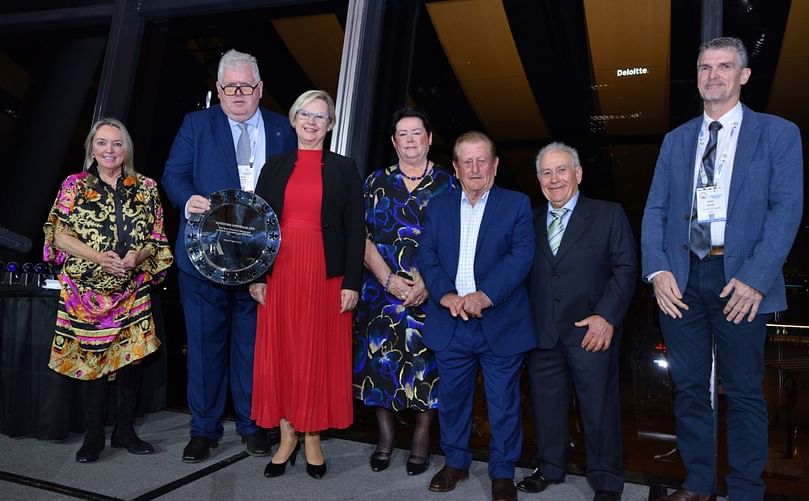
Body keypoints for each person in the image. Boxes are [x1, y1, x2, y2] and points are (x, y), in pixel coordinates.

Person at [641, 37, 803, 501]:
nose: (712, 75)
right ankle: (698, 485)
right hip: (682, 279)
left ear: (744, 75)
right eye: (704, 67)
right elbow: (656, 209)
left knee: (745, 393)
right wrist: (658, 270)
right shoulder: (676, 140)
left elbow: (786, 209)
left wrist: (756, 276)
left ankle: (746, 490)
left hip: (740, 281)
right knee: (690, 389)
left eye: (724, 66)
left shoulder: (777, 133)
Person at [162, 49, 296, 463]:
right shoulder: (196, 125)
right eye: (229, 87)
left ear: (260, 89)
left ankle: (253, 425)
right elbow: (174, 175)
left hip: (260, 263)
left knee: (253, 348)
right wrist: (188, 201)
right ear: (218, 90)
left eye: (246, 86)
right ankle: (203, 429)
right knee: (203, 347)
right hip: (204, 259)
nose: (238, 94)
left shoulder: (281, 129)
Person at [249, 89, 365, 480]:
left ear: (330, 125)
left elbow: (355, 229)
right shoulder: (274, 167)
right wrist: (257, 277)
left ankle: (312, 437)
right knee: (283, 353)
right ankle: (286, 438)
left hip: (324, 272)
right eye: (305, 115)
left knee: (315, 354)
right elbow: (257, 227)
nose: (312, 122)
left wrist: (351, 282)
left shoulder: (344, 168)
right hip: (280, 272)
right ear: (294, 120)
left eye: (320, 117)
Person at [43, 117, 173, 463]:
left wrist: (136, 256)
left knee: (131, 360)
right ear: (92, 149)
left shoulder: (145, 187)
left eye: (117, 143)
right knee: (93, 362)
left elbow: (156, 238)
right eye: (102, 143)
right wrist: (98, 257)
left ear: (126, 148)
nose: (110, 150)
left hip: (132, 289)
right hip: (85, 293)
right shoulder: (73, 185)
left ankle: (125, 431)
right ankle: (93, 435)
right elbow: (57, 234)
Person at [516, 142, 636, 501]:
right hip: (542, 333)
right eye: (546, 173)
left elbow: (626, 269)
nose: (554, 179)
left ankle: (607, 479)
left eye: (561, 170)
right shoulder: (530, 220)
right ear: (538, 179)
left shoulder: (608, 214)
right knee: (546, 406)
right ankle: (550, 467)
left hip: (591, 331)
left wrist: (607, 316)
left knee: (599, 409)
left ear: (578, 174)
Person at [419, 131, 535, 501]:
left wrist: (485, 296)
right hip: (451, 322)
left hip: (499, 322)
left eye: (481, 160)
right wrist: (446, 296)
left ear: (495, 165)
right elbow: (428, 257)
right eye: (466, 161)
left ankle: (502, 472)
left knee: (503, 403)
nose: (474, 168)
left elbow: (521, 257)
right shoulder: (437, 207)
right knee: (453, 400)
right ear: (455, 168)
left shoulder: (516, 205)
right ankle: (455, 463)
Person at [353, 107, 455, 476]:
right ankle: (384, 438)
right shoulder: (374, 183)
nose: (410, 140)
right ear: (393, 141)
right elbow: (360, 237)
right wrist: (387, 279)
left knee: (428, 370)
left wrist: (428, 283)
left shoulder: (449, 184)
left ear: (429, 138)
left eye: (417, 133)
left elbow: (458, 241)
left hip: (431, 294)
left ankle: (422, 440)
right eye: (403, 134)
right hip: (381, 293)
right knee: (378, 364)